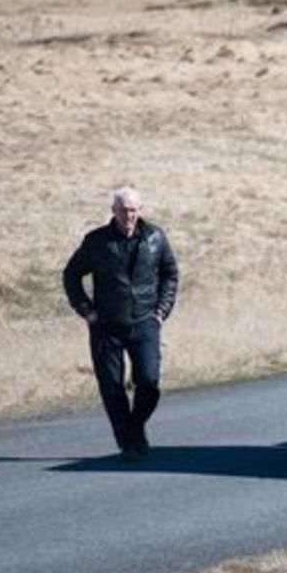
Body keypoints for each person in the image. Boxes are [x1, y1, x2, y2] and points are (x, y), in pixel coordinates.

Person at [62, 187, 179, 459]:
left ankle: (134, 427)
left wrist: (161, 310)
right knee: (111, 386)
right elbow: (71, 275)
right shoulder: (96, 241)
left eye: (134, 210)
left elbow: (170, 274)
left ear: (140, 210)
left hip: (145, 321)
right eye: (124, 210)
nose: (129, 215)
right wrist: (86, 311)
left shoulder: (155, 237)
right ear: (113, 211)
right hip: (106, 325)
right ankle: (128, 443)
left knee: (149, 382)